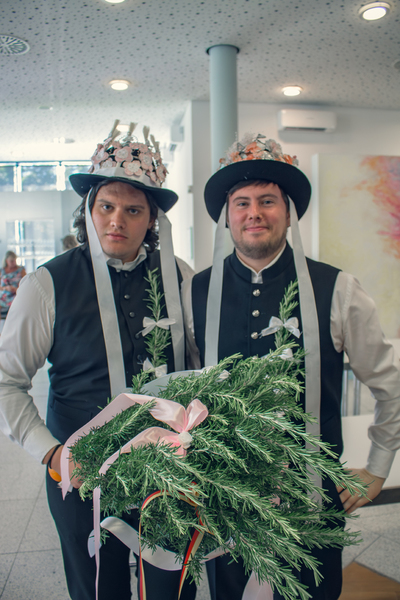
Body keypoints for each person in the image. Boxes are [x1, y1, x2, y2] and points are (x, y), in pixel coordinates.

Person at [182, 134, 400, 600]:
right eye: (241, 203)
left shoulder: (339, 289)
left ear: (288, 212)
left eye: (267, 201)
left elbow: (391, 384)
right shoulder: (195, 292)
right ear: (227, 216)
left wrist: (378, 467)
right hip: (225, 506)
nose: (254, 213)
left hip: (313, 506)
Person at [0, 121, 196, 600]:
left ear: (151, 220)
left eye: (133, 210)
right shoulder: (46, 284)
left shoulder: (181, 277)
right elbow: (6, 380)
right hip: (81, 474)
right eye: (106, 206)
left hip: (168, 470)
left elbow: (200, 369)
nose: (117, 221)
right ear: (88, 211)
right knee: (97, 590)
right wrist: (52, 453)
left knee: (171, 588)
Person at [0, 250, 26, 316]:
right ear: (6, 261)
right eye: (11, 261)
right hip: (5, 294)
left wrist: (16, 289)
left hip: (17, 293)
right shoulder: (2, 271)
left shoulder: (21, 270)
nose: (14, 262)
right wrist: (6, 288)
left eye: (15, 260)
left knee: (18, 302)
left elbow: (26, 283)